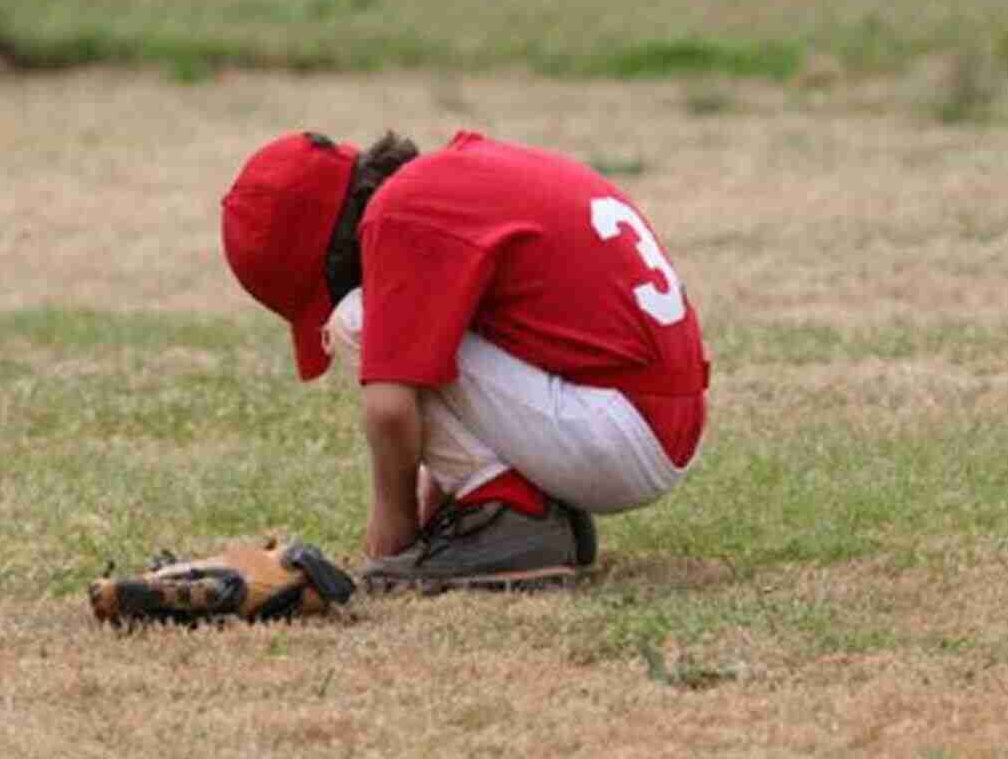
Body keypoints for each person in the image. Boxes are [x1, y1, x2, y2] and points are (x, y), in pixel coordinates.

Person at [220, 130, 710, 590]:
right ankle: (511, 515)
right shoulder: (451, 184)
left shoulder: (395, 218)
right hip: (655, 420)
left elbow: (391, 409)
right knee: (412, 330)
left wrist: (394, 530)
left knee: (357, 319)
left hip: (614, 432)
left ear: (333, 258)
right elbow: (465, 375)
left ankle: (511, 519)